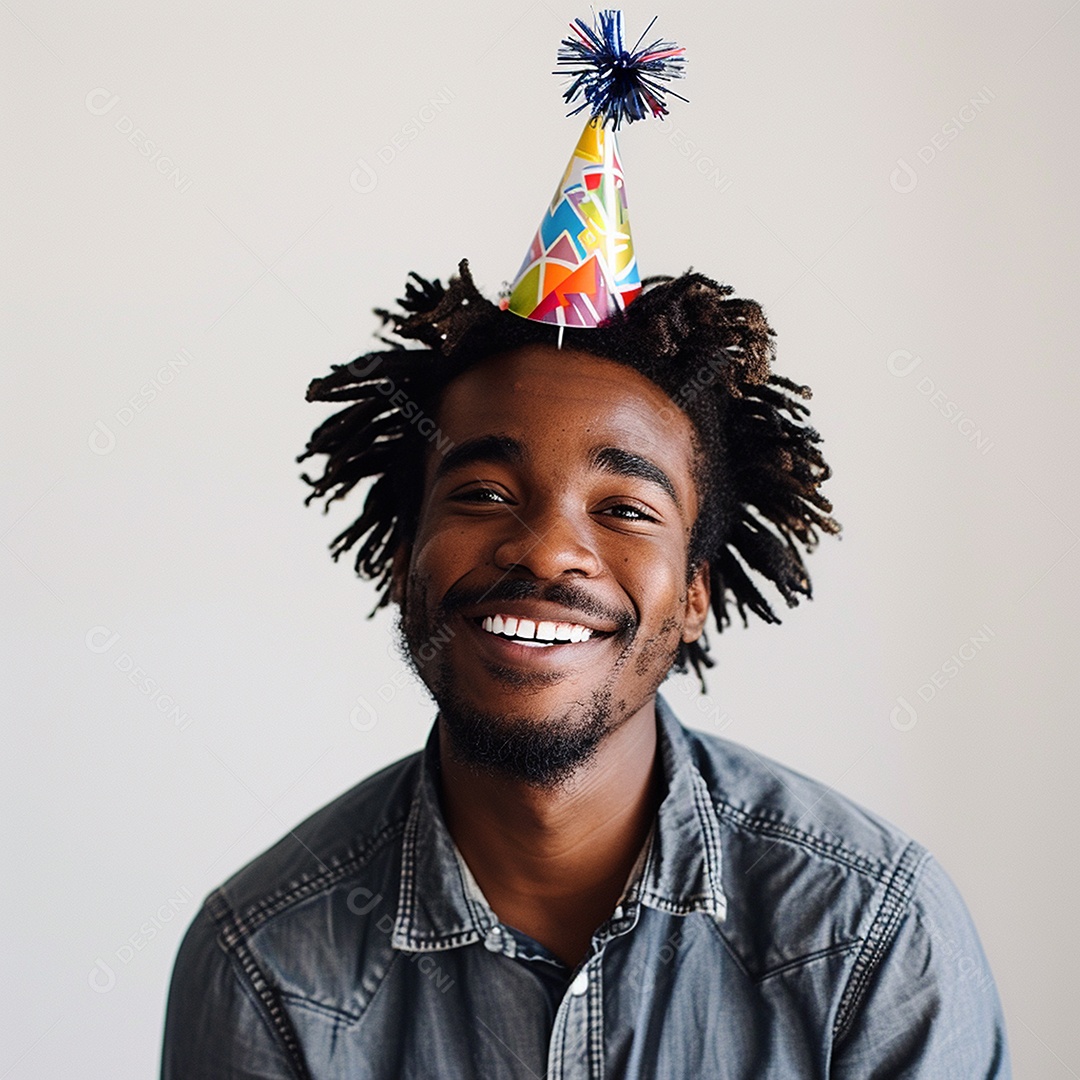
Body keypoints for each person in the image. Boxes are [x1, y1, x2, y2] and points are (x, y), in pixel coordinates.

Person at [161, 261, 1011, 1078]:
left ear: (692, 597)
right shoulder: (265, 961)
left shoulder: (874, 934)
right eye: (484, 493)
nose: (548, 550)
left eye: (625, 510)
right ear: (400, 558)